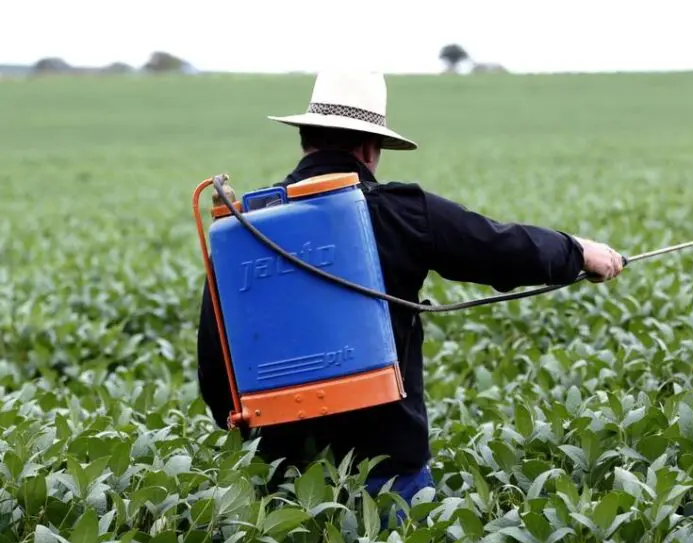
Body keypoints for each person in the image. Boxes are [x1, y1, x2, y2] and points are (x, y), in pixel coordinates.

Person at [195, 71, 624, 509]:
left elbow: (215, 365)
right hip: (388, 469)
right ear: (369, 147)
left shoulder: (244, 230)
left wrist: (256, 441)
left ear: (305, 139)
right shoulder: (400, 211)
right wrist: (577, 252)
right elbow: (499, 246)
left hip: (284, 478)